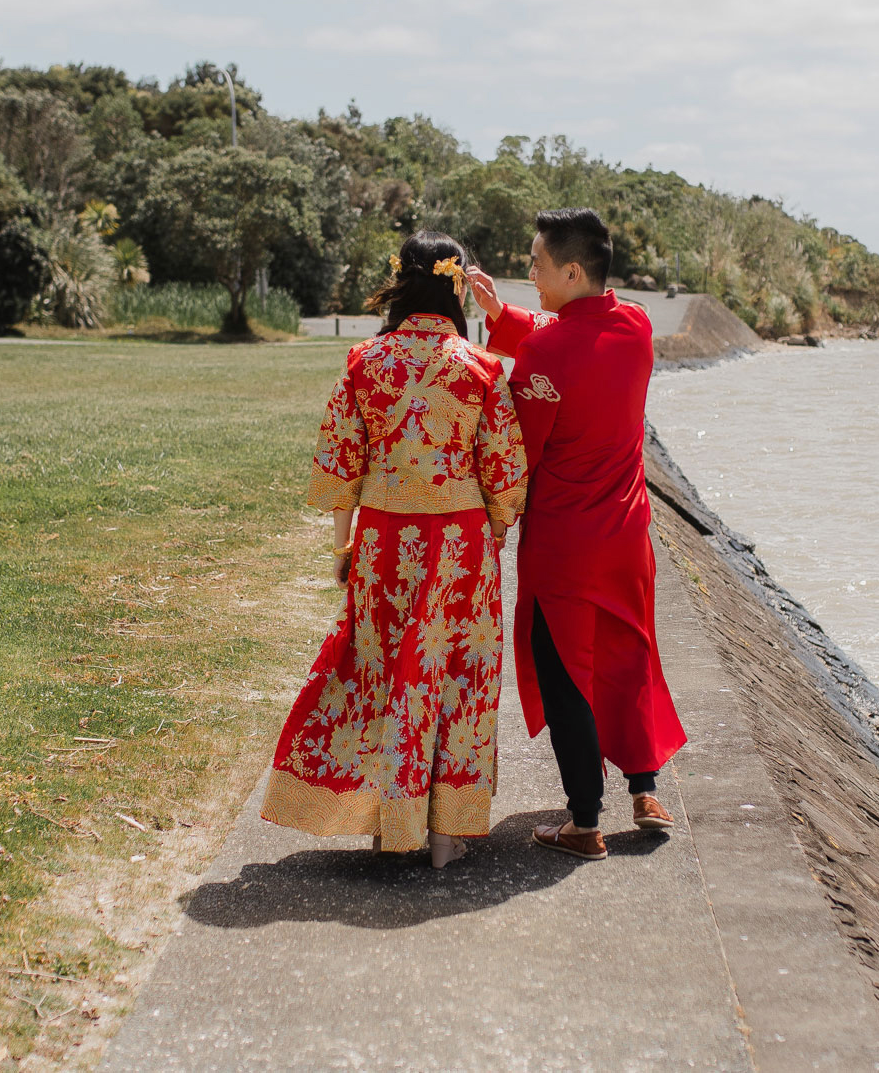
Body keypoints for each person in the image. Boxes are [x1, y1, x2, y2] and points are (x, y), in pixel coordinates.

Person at [260, 232, 528, 869]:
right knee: (456, 680)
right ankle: (443, 834)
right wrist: (498, 529)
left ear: (400, 281)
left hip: (383, 538)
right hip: (460, 545)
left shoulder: (364, 361)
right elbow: (505, 471)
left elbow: (340, 463)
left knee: (384, 676)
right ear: (456, 284)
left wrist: (343, 545)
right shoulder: (482, 368)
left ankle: (390, 825)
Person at [466, 208, 686, 862]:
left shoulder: (543, 351)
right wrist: (503, 314)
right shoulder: (638, 327)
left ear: (570, 269)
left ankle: (584, 824)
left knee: (566, 676)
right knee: (630, 653)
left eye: (536, 263)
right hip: (627, 532)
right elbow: (573, 332)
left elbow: (519, 453)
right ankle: (645, 787)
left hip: (564, 541)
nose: (529, 272)